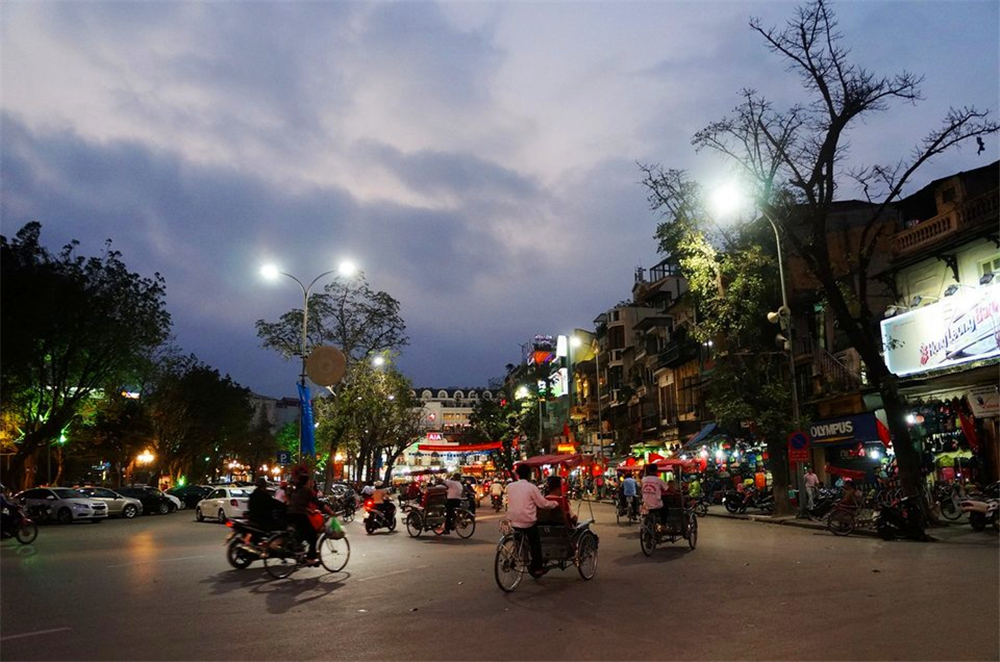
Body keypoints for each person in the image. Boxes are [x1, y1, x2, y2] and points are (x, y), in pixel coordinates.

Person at [507, 464, 560, 578]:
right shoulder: (531, 487)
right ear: (529, 474)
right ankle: (538, 568)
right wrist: (555, 504)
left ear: (518, 474)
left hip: (513, 520)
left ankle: (516, 555)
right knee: (535, 544)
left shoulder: (510, 487)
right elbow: (543, 504)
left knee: (518, 539)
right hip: (528, 522)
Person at [286, 474, 334, 566]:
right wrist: (330, 511)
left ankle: (300, 552)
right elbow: (317, 502)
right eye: (309, 481)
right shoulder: (306, 490)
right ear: (307, 481)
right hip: (299, 515)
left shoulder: (296, 490)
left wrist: (310, 511)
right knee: (313, 535)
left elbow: (297, 503)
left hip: (290, 514)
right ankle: (310, 558)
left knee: (301, 534)